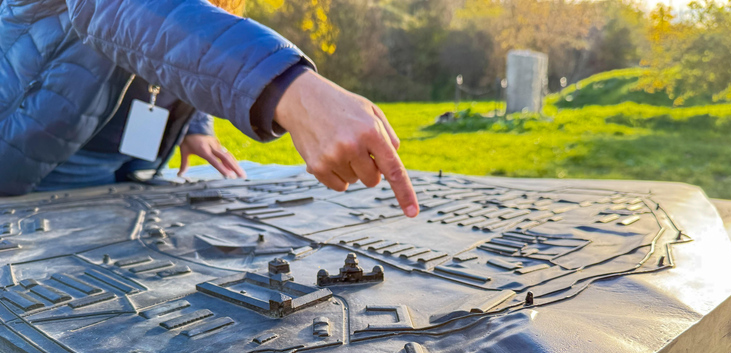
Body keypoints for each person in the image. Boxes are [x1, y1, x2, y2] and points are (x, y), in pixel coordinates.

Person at [0, 0, 419, 217]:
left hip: (123, 174)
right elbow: (127, 13)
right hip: (33, 178)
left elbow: (189, 34)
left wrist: (195, 123)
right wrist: (291, 92)